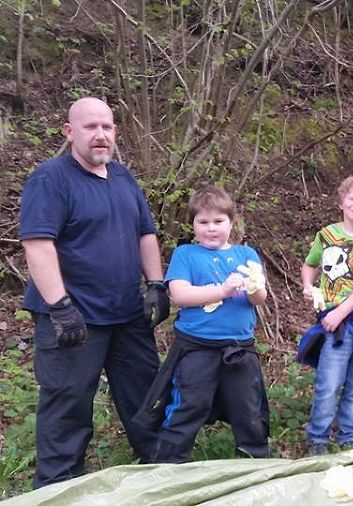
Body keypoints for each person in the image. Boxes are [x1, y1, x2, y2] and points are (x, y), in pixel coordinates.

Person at [18, 97, 169, 488]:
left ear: (115, 132)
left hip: (127, 313)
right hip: (73, 316)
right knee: (67, 403)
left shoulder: (123, 177)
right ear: (70, 133)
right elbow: (38, 244)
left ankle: (161, 470)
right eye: (90, 127)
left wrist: (155, 283)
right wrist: (59, 306)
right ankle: (58, 487)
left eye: (107, 127)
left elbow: (145, 233)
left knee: (146, 395)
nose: (100, 135)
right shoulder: (50, 179)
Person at [133, 186, 270, 462]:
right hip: (197, 348)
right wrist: (223, 290)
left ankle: (255, 461)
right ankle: (168, 464)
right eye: (203, 222)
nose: (211, 228)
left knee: (248, 408)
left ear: (231, 223)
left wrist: (255, 286)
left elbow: (259, 299)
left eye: (218, 221)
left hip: (239, 348)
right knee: (188, 404)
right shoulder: (186, 254)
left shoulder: (246, 255)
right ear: (193, 224)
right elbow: (180, 295)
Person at [296, 175, 353, 456]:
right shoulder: (326, 235)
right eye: (352, 197)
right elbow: (309, 264)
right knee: (328, 382)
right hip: (332, 322)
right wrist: (308, 286)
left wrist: (341, 312)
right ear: (341, 202)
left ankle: (350, 434)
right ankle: (318, 437)